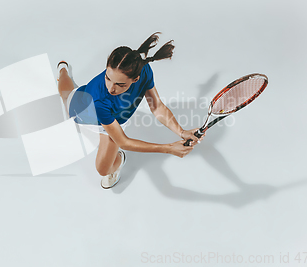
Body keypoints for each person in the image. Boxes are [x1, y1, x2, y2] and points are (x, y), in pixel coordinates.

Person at [56, 32, 204, 189]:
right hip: (85, 111)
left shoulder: (144, 70)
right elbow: (123, 142)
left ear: (136, 79)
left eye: (120, 84)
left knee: (102, 169)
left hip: (116, 118)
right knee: (66, 97)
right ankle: (63, 71)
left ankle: (116, 156)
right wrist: (168, 148)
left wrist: (181, 132)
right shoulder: (100, 100)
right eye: (107, 77)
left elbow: (157, 107)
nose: (111, 88)